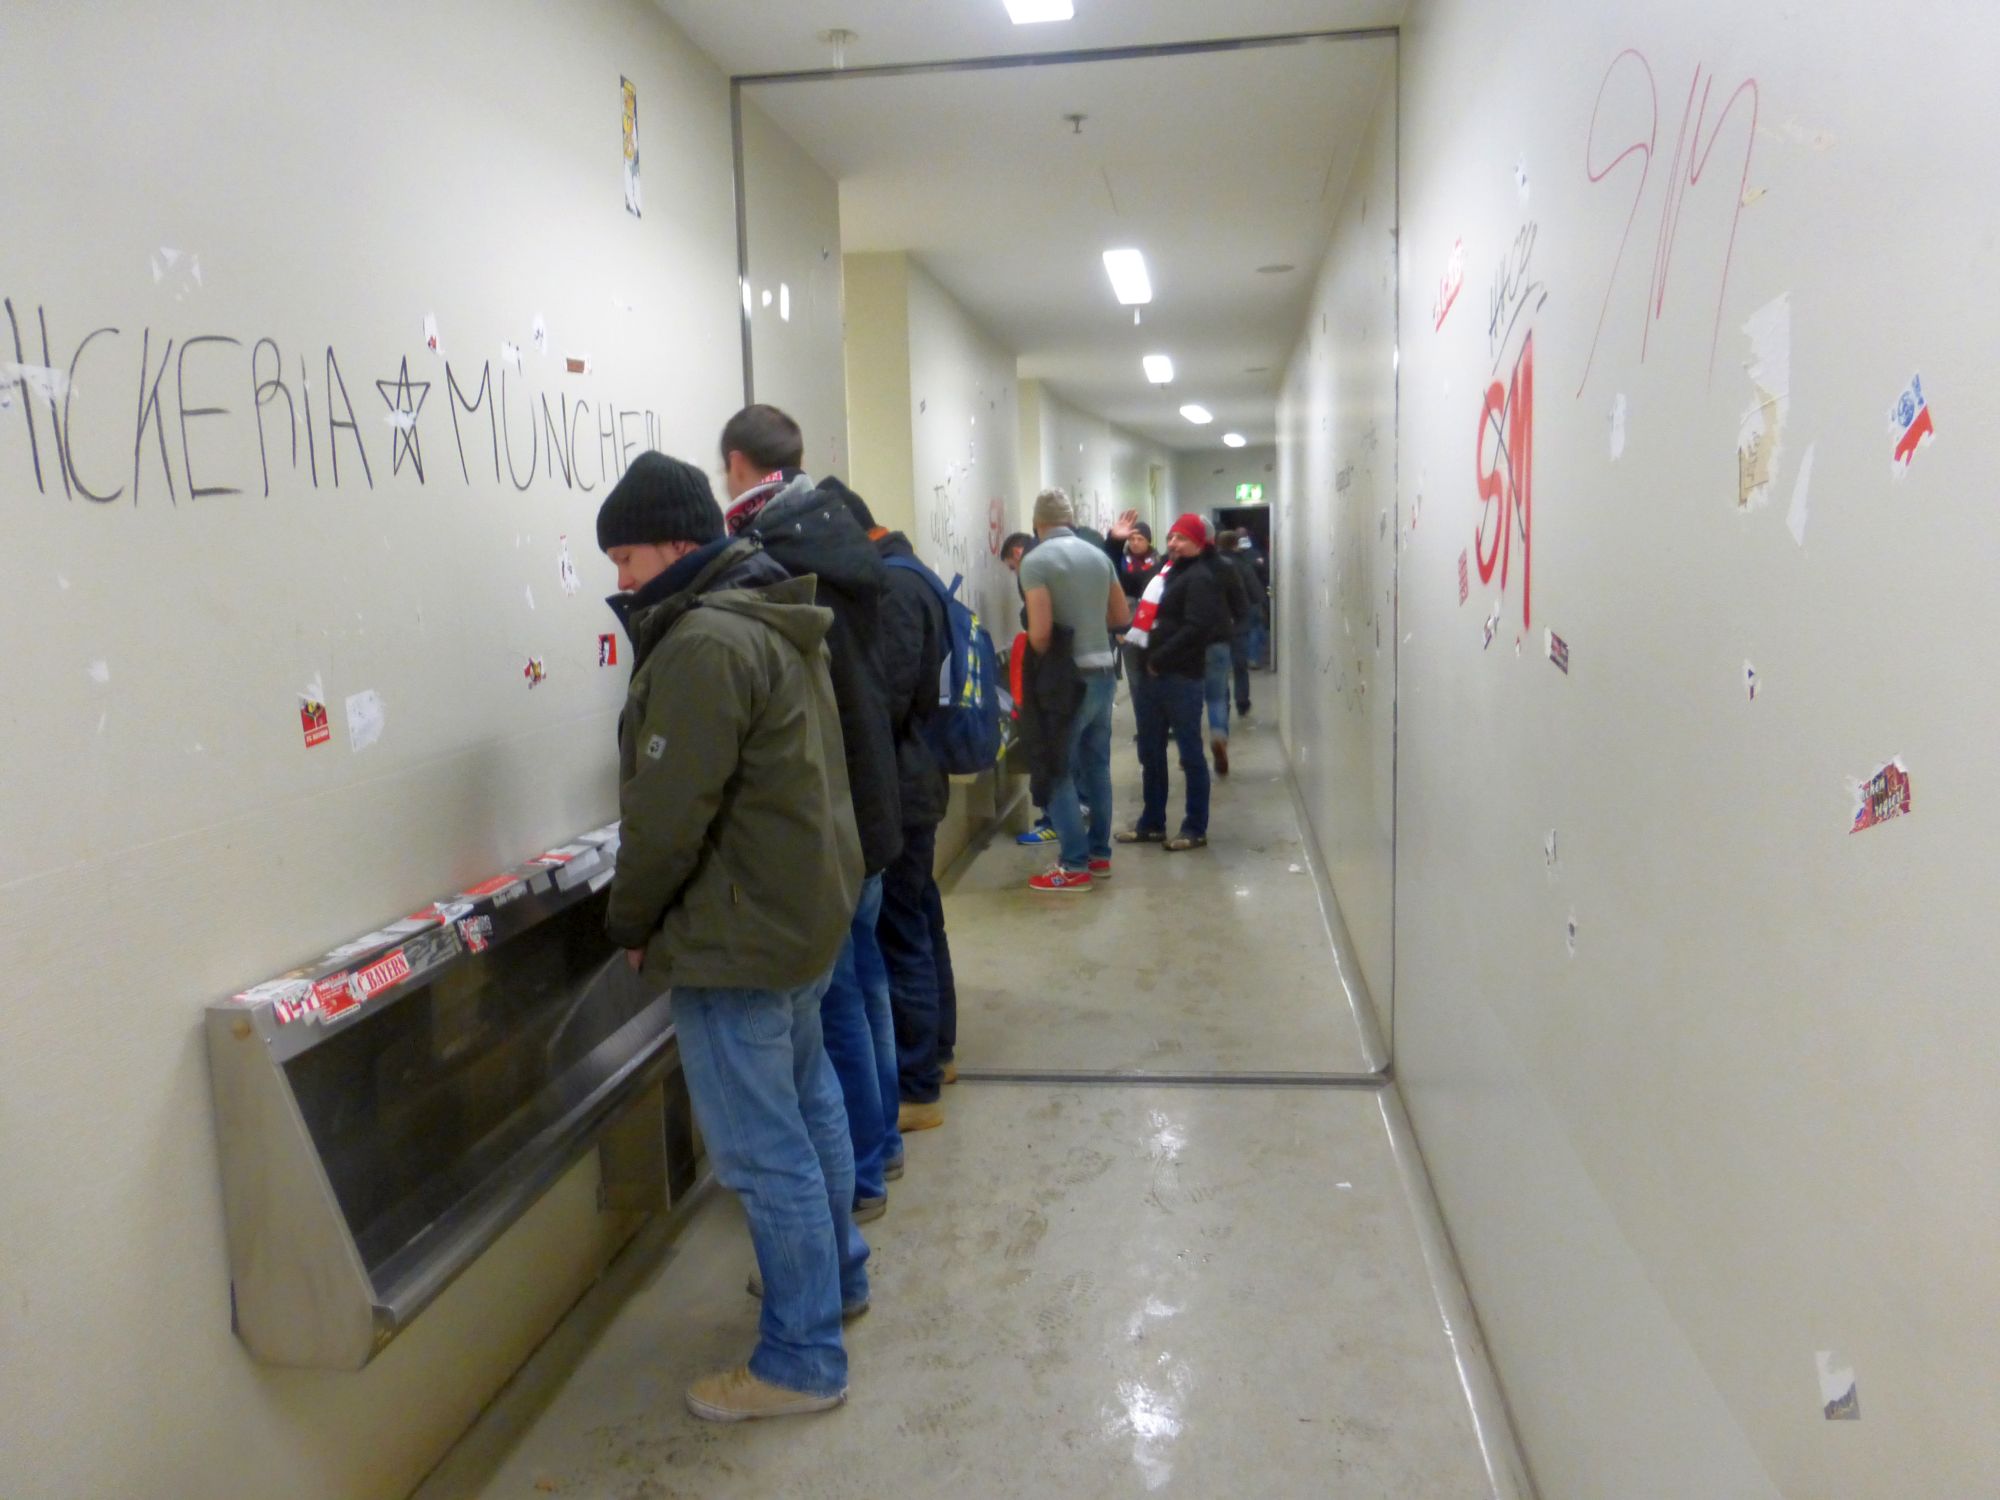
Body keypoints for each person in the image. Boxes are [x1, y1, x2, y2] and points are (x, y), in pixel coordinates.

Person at [597, 451, 866, 1422]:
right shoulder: (767, 613)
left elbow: (668, 815)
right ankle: (834, 1281)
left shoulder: (704, 643)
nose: (618, 580)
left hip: (734, 935)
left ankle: (800, 1360)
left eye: (624, 556)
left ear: (674, 541)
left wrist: (631, 920)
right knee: (809, 1103)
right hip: (795, 914)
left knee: (762, 1152)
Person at [720, 404, 904, 1222]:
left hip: (834, 817)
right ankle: (881, 1145)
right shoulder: (841, 540)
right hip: (872, 795)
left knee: (834, 1013)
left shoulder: (767, 557)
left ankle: (861, 1169)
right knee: (864, 985)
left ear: (735, 464)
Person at [840, 486, 962, 1129]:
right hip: (922, 775)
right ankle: (937, 1054)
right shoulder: (916, 574)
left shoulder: (890, 588)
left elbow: (884, 699)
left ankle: (917, 1086)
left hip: (904, 786)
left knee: (902, 933)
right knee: (923, 918)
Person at [1020, 488, 1129, 892]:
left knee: (1057, 769)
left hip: (1066, 679)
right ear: (1071, 520)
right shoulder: (1098, 556)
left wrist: (1043, 657)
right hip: (1104, 673)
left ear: (1038, 524)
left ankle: (1074, 864)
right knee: (1097, 767)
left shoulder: (1035, 563)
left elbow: (1041, 632)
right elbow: (1120, 615)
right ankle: (1099, 856)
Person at [1115, 513, 1233, 851]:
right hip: (1153, 675)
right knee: (1150, 751)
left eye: (1181, 538)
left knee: (1190, 753)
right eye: (1171, 537)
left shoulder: (1201, 577)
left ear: (1199, 542)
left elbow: (1196, 628)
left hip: (1181, 677)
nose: (1173, 543)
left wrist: (1158, 658)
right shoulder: (1166, 572)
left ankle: (1195, 827)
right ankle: (1151, 823)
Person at [999, 531, 1058, 849]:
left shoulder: (1033, 569)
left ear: (1018, 553)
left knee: (1046, 752)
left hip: (1048, 676)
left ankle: (1053, 821)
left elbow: (1039, 628)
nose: (1015, 574)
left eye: (1011, 566)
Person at [1202, 531, 1252, 774]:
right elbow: (1242, 605)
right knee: (1217, 695)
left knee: (1189, 699)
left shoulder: (1180, 568)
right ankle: (1219, 735)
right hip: (1219, 640)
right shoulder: (1228, 567)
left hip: (1186, 644)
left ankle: (1189, 750)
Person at [1217, 530, 1264, 717]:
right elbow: (1256, 594)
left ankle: (1223, 704)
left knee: (1220, 667)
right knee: (1240, 666)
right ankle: (1242, 702)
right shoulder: (1244, 565)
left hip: (1217, 626)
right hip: (1238, 623)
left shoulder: (1211, 566)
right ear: (1236, 544)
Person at [1103, 511, 1163, 600]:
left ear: (1148, 541)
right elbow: (1110, 565)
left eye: (1140, 539)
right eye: (1132, 539)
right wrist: (1114, 540)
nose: (1135, 543)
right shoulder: (1120, 559)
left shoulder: (1159, 562)